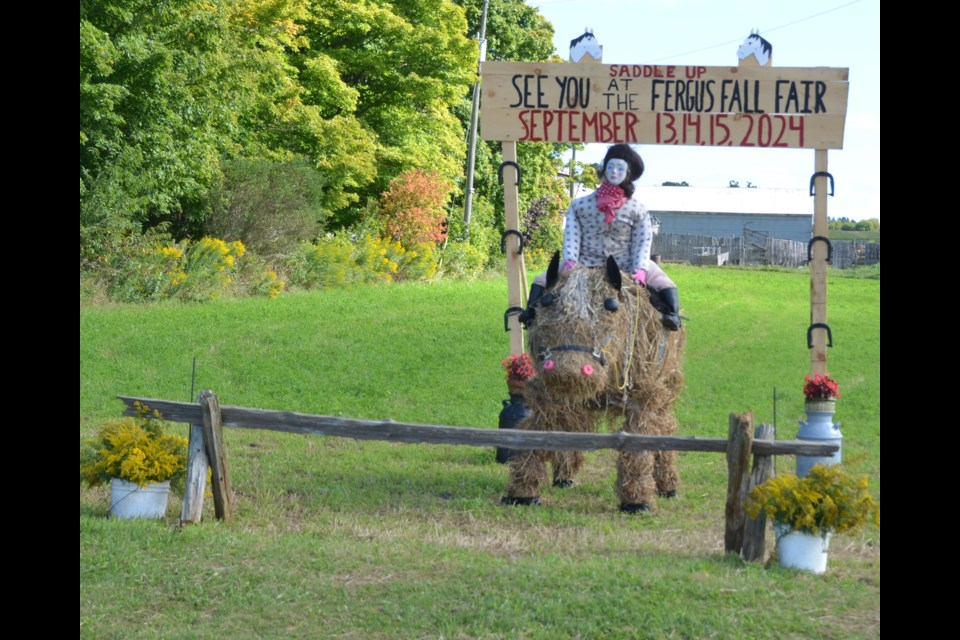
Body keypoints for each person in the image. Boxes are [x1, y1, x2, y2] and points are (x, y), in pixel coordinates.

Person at [525, 144, 681, 330]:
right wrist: (569, 262)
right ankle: (530, 315)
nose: (614, 171)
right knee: (541, 281)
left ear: (628, 173)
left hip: (625, 264)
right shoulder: (580, 205)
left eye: (620, 168)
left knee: (663, 282)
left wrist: (639, 268)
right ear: (604, 169)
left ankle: (672, 316)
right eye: (610, 166)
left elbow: (642, 241)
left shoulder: (637, 209)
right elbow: (571, 236)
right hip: (584, 263)